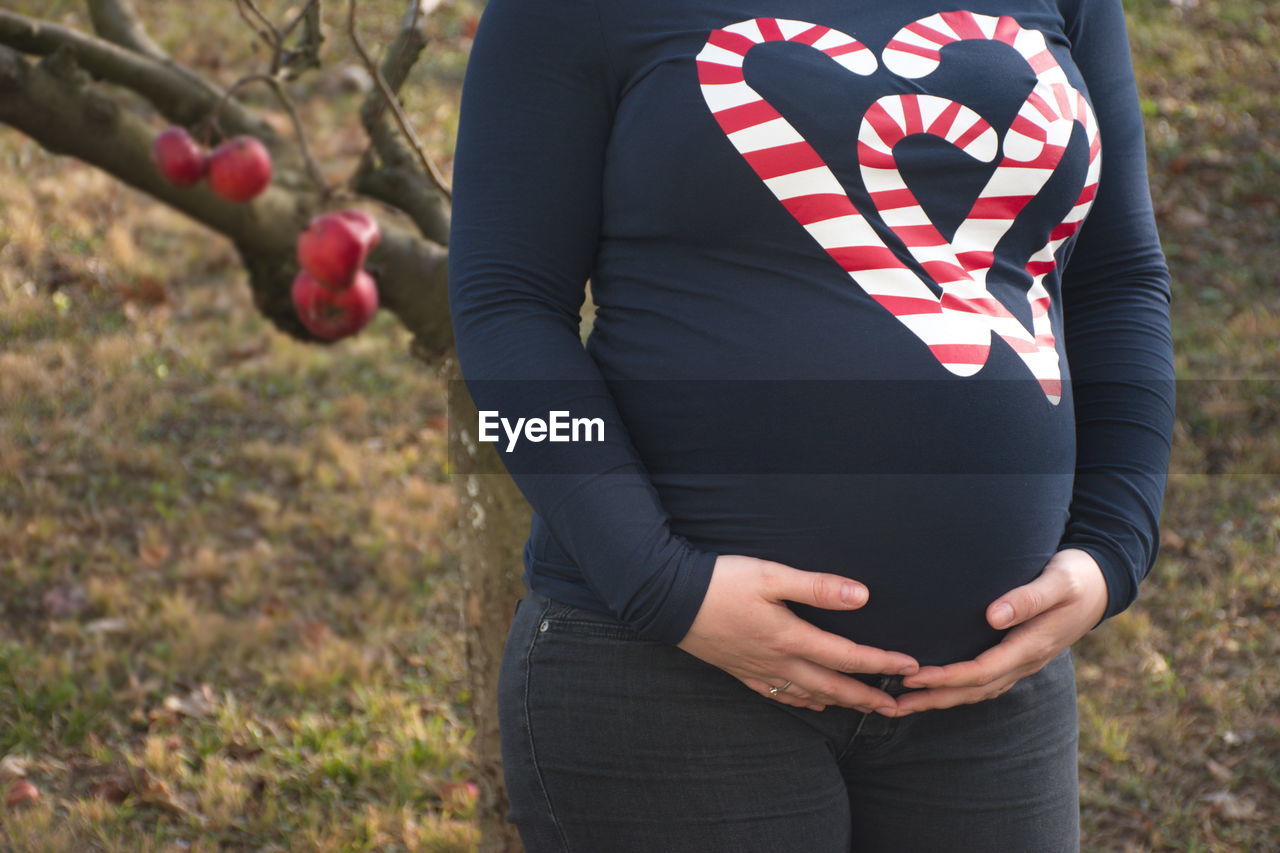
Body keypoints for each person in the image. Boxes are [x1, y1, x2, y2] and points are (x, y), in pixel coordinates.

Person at [447, 0, 1175, 850]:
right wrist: (660, 584)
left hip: (990, 702)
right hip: (662, 684)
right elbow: (503, 317)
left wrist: (1117, 545)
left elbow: (1118, 279)